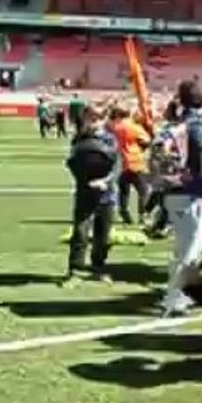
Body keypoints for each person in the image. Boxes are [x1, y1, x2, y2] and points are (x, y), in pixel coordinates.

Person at [161, 81, 202, 317]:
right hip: (192, 192)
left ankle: (176, 293)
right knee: (189, 249)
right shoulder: (197, 127)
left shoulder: (175, 124)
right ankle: (176, 297)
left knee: (184, 247)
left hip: (174, 190)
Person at [63, 106, 121, 285]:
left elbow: (117, 166)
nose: (95, 121)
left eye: (99, 118)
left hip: (107, 194)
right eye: (92, 118)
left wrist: (106, 181)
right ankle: (75, 270)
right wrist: (83, 180)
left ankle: (98, 268)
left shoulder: (110, 139)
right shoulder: (79, 139)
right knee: (80, 232)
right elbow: (72, 163)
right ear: (86, 118)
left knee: (102, 235)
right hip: (85, 192)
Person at [110, 107, 152, 226]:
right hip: (136, 161)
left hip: (123, 162)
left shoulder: (117, 127)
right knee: (143, 191)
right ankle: (142, 215)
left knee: (124, 190)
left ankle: (124, 212)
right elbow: (146, 141)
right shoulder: (135, 127)